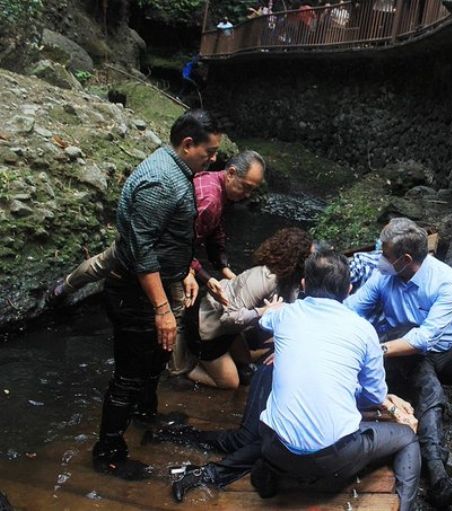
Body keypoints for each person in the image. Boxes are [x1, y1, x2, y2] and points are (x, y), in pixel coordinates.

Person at [170, 251, 421, 510]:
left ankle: (250, 472)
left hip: (274, 448)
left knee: (277, 415)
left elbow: (266, 319)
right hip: (333, 460)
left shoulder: (285, 316)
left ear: (303, 285)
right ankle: (405, 506)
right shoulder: (364, 331)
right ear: (348, 290)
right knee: (407, 438)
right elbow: (372, 396)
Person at [345, 218, 452, 508]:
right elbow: (352, 309)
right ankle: (437, 473)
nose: (381, 260)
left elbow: (425, 338)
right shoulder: (383, 276)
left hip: (440, 350)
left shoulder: (447, 281)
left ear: (406, 259)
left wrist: (375, 348)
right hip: (402, 353)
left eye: (386, 255)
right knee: (430, 390)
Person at [46, 150, 266, 376]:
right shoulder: (210, 198)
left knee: (102, 263)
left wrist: (223, 268)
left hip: (145, 239)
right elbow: (179, 239)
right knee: (179, 308)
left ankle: (62, 288)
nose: (248, 194)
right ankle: (179, 368)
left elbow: (213, 232)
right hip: (162, 249)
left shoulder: (216, 187)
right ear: (230, 173)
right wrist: (200, 275)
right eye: (246, 186)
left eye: (252, 189)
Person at [91, 109, 222, 480]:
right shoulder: (161, 181)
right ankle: (108, 453)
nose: (213, 160)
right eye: (209, 152)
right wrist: (163, 309)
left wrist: (185, 273)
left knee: (155, 357)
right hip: (134, 294)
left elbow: (171, 237)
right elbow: (142, 251)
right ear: (187, 144)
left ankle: (145, 416)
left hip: (156, 288)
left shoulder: (178, 172)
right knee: (128, 374)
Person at [186, 228, 313, 389]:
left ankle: (225, 357)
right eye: (309, 257)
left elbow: (291, 308)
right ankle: (186, 368)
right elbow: (228, 318)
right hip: (207, 329)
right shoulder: (264, 278)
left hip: (230, 330)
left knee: (246, 361)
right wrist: (262, 312)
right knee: (231, 383)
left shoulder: (291, 280)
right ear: (296, 259)